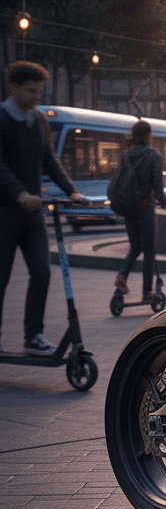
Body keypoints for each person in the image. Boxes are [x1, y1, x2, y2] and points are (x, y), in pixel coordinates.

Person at [0, 61, 88, 355]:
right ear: (13, 88)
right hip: (5, 212)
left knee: (42, 272)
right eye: (30, 90)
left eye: (39, 90)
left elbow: (49, 159)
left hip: (33, 214)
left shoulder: (39, 120)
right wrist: (20, 192)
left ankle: (33, 337)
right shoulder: (1, 118)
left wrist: (72, 192)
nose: (36, 96)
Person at [113, 120, 166, 301]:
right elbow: (157, 185)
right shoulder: (154, 156)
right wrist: (164, 204)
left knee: (134, 248)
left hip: (127, 207)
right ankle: (147, 292)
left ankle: (122, 275)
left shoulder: (126, 155)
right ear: (148, 135)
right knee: (149, 252)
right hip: (144, 208)